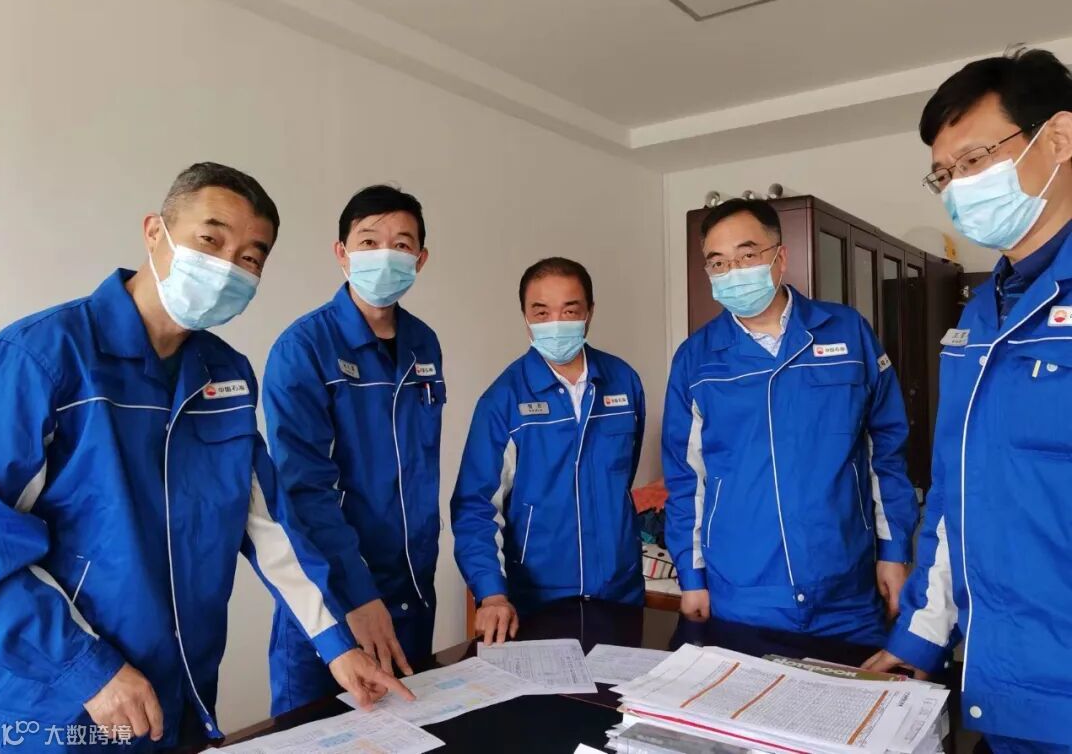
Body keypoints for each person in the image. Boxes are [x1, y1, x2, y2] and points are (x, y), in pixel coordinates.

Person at [0, 164, 411, 754]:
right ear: (154, 232)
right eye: (210, 240)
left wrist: (337, 645)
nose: (226, 267)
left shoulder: (226, 374)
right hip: (56, 697)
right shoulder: (41, 359)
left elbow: (267, 524)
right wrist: (86, 668)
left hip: (181, 686)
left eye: (250, 258)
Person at [864, 48, 1072, 753]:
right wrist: (918, 641)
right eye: (944, 175)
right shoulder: (978, 318)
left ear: (1058, 140)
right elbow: (955, 500)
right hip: (1001, 690)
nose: (958, 187)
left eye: (975, 159)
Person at [662, 198, 918, 647]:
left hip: (846, 586)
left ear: (780, 257)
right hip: (743, 589)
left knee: (856, 690)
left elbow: (886, 451)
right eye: (718, 263)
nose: (733, 271)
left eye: (747, 255)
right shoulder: (696, 359)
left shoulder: (847, 331)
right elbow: (687, 479)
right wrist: (691, 575)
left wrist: (894, 550)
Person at [263, 185, 442, 714]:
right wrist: (355, 594)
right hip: (334, 599)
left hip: (412, 590)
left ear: (420, 259)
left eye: (401, 244)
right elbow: (303, 489)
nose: (385, 255)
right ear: (342, 253)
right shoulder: (304, 348)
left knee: (415, 732)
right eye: (368, 241)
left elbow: (416, 471)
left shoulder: (424, 344)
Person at [451, 258, 646, 644]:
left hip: (620, 593)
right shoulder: (503, 399)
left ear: (589, 312)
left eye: (569, 310)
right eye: (541, 312)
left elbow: (624, 477)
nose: (555, 323)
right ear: (526, 317)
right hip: (538, 602)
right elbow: (476, 508)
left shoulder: (623, 381)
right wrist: (491, 593)